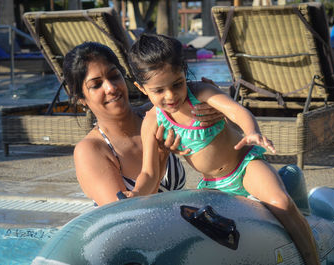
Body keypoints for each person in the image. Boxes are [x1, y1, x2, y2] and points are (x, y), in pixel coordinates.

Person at [125, 34, 320, 265]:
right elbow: (148, 173)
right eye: (159, 90)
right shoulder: (152, 121)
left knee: (282, 203)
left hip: (244, 166)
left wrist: (251, 132)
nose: (170, 96)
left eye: (177, 84)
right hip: (213, 185)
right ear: (141, 88)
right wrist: (136, 196)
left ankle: (313, 260)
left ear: (185, 73)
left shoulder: (201, 93)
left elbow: (237, 112)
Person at [62, 41, 222, 206]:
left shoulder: (158, 115)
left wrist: (210, 102)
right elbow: (125, 216)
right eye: (96, 85)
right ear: (81, 99)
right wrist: (160, 157)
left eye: (114, 76)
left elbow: (177, 84)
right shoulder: (91, 150)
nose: (110, 88)